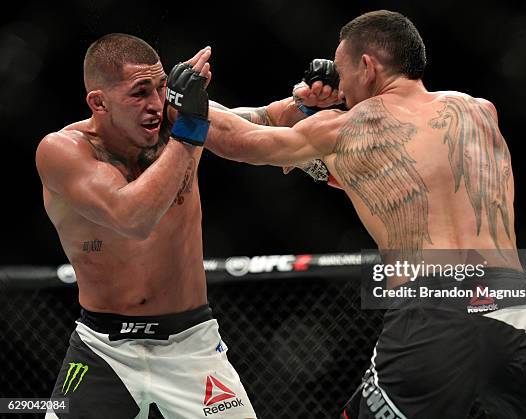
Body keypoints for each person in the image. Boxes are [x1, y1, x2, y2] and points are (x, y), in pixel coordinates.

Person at [205, 10, 526, 419]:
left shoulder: (346, 130)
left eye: (344, 77)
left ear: (367, 67)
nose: (342, 91)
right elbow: (397, 175)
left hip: (432, 309)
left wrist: (180, 101)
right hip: (515, 305)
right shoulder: (480, 112)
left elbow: (241, 138)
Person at [35, 33, 318, 419]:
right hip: (103, 349)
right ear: (98, 102)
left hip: (192, 344)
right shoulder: (63, 151)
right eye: (139, 93)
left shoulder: (179, 116)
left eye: (162, 87)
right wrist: (189, 132)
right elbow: (132, 217)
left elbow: (255, 128)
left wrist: (304, 104)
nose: (155, 105)